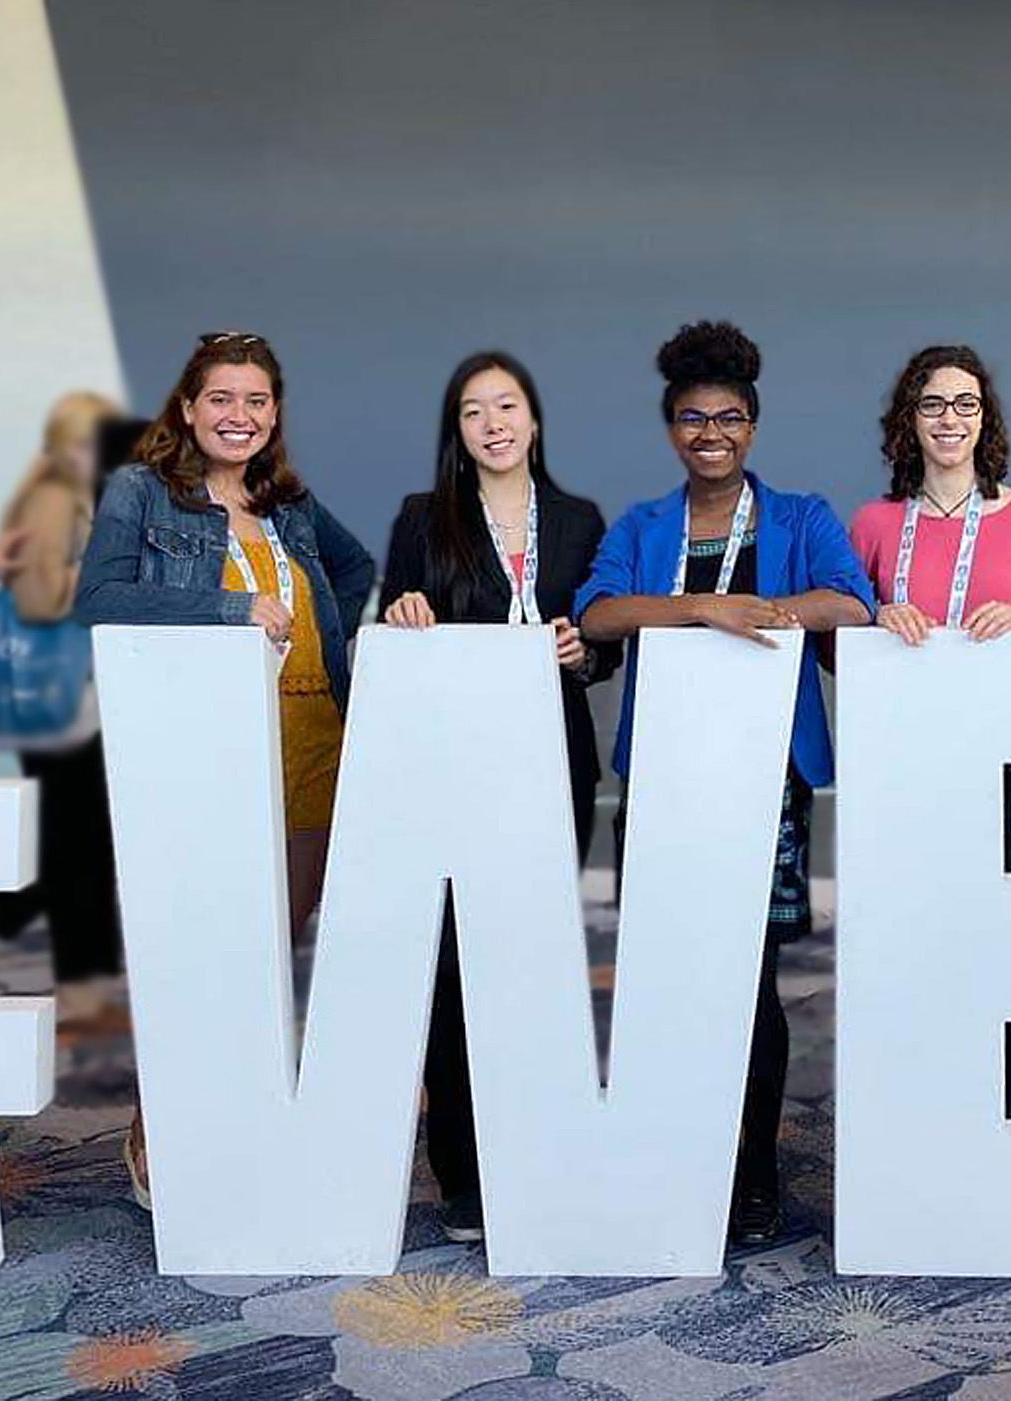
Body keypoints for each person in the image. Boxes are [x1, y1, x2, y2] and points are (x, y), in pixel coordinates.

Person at [575, 320, 876, 1246]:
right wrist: (703, 607)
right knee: (668, 970)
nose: (712, 433)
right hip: (666, 774)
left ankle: (752, 1170)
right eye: (693, 419)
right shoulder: (644, 525)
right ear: (672, 427)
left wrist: (771, 614)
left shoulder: (797, 517)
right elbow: (599, 609)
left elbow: (852, 600)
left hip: (765, 777)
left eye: (730, 417)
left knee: (751, 979)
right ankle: (674, 1155)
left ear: (753, 424)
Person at [73, 332, 374, 1207]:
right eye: (221, 400)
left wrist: (317, 627)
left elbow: (348, 571)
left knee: (274, 942)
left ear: (273, 413)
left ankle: (243, 1122)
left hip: (317, 734)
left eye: (256, 402)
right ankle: (157, 1122)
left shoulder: (288, 502)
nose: (238, 417)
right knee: (211, 947)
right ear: (188, 407)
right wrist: (230, 606)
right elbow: (99, 597)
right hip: (217, 744)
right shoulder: (142, 491)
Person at [380, 350, 621, 1243]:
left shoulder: (578, 520)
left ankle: (545, 1153)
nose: (493, 423)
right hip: (456, 763)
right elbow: (400, 618)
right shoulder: (423, 518)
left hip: (555, 756)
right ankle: (465, 1174)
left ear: (534, 418)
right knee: (454, 967)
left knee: (540, 958)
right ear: (458, 430)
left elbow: (606, 641)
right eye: (474, 411)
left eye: (507, 405)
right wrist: (405, 616)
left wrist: (584, 652)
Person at [847, 345, 1011, 1118]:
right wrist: (878, 618)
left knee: (1000, 943)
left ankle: (1001, 1112)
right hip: (907, 767)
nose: (951, 419)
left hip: (1009, 766)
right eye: (933, 403)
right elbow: (837, 641)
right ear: (907, 421)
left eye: (966, 404)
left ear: (987, 419)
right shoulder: (877, 524)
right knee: (911, 937)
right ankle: (915, 1108)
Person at [0, 391, 127, 1024]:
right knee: (79, 845)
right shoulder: (57, 499)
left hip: (64, 701)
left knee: (73, 841)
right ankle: (82, 989)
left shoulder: (62, 496)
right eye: (85, 442)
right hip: (67, 702)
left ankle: (0, 925)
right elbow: (38, 599)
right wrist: (111, 581)